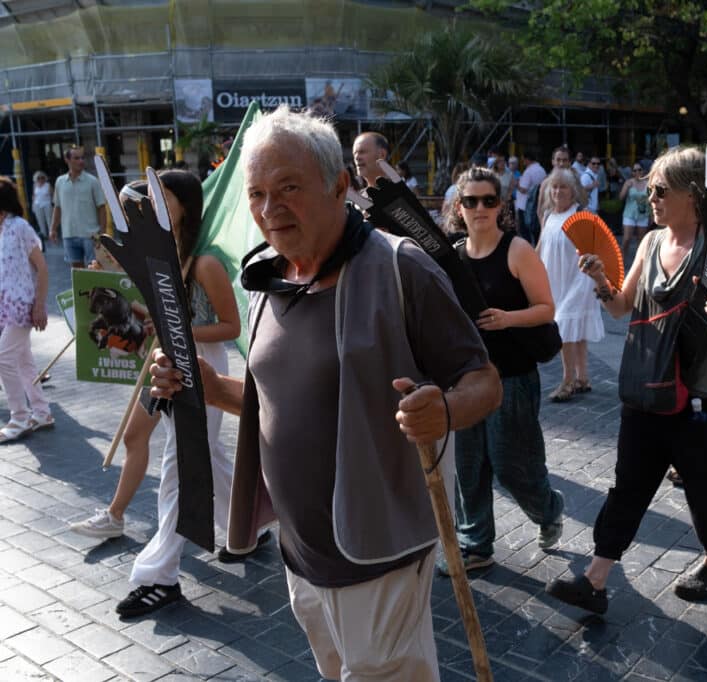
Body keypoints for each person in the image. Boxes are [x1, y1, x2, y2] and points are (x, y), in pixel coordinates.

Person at [149, 106, 501, 680]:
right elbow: (273, 400)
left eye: (289, 187)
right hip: (301, 551)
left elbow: (483, 382)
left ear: (340, 186)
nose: (270, 209)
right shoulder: (266, 279)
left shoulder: (399, 268)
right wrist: (210, 388)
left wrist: (446, 409)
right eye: (257, 193)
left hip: (380, 551)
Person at [545, 146, 707, 613]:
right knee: (629, 483)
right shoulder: (653, 243)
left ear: (692, 195)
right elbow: (622, 306)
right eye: (649, 188)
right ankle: (595, 581)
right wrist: (601, 280)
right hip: (647, 382)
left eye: (660, 189)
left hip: (699, 392)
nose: (650, 196)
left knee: (702, 482)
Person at [70, 175, 245, 552]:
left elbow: (232, 325)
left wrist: (182, 332)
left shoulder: (205, 262)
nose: (151, 205)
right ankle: (247, 522)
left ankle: (155, 562)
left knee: (182, 460)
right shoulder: (164, 256)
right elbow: (155, 311)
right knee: (141, 438)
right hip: (163, 358)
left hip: (199, 363)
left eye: (161, 197)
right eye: (149, 198)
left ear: (186, 205)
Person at [441, 167, 564, 574]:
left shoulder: (517, 250)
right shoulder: (454, 255)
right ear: (459, 208)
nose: (480, 208)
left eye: (488, 200)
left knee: (514, 465)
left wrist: (507, 319)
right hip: (466, 378)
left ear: (501, 206)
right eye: (471, 201)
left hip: (512, 375)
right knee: (469, 466)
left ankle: (548, 508)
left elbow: (547, 309)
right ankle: (474, 544)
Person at [536, 167, 605, 402]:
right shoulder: (548, 215)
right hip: (556, 279)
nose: (557, 191)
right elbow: (540, 246)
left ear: (573, 191)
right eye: (554, 187)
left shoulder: (582, 216)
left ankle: (567, 381)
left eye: (563, 187)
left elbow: (594, 250)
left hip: (579, 279)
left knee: (564, 325)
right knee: (577, 329)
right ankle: (582, 377)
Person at [0, 177, 52, 444]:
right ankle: (41, 412)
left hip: (21, 306)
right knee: (22, 362)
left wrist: (40, 305)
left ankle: (19, 417)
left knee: (4, 359)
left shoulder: (19, 227)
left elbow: (42, 268)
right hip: (4, 306)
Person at [50, 147, 107, 269]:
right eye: (76, 158)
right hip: (69, 234)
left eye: (82, 158)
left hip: (91, 235)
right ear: (67, 160)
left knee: (95, 269)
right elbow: (57, 207)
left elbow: (101, 207)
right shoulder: (60, 182)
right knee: (76, 270)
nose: (81, 161)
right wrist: (53, 229)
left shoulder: (92, 182)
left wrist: (102, 232)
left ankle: (96, 289)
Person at [619, 162, 650, 260]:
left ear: (643, 171)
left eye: (639, 169)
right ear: (632, 173)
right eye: (635, 170)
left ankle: (639, 262)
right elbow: (621, 198)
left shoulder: (648, 183)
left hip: (643, 214)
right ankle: (622, 259)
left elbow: (651, 200)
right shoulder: (629, 182)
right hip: (629, 214)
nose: (637, 172)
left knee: (641, 241)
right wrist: (626, 187)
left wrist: (652, 215)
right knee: (626, 239)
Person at [515, 149, 546, 244]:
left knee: (525, 230)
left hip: (525, 205)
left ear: (527, 159)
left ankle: (528, 249)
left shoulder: (528, 172)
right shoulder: (541, 170)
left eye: (523, 159)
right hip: (537, 203)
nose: (523, 162)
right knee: (536, 229)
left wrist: (516, 184)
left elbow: (523, 189)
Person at [31, 171, 52, 248]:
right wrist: (33, 205)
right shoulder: (35, 185)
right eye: (38, 178)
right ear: (36, 179)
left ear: (45, 178)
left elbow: (52, 194)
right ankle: (44, 235)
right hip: (37, 204)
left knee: (49, 219)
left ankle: (51, 234)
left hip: (47, 204)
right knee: (40, 220)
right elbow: (34, 195)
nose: (40, 179)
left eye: (42, 177)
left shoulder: (48, 185)